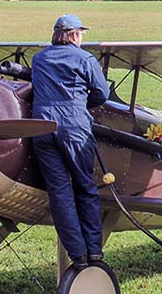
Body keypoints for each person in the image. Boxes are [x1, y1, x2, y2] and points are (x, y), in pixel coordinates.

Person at [31, 14, 111, 270]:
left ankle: (77, 254)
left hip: (41, 126)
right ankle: (94, 251)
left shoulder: (39, 58)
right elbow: (102, 93)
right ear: (75, 35)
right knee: (85, 186)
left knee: (59, 191)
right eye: (81, 34)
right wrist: (79, 105)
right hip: (74, 126)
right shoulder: (84, 58)